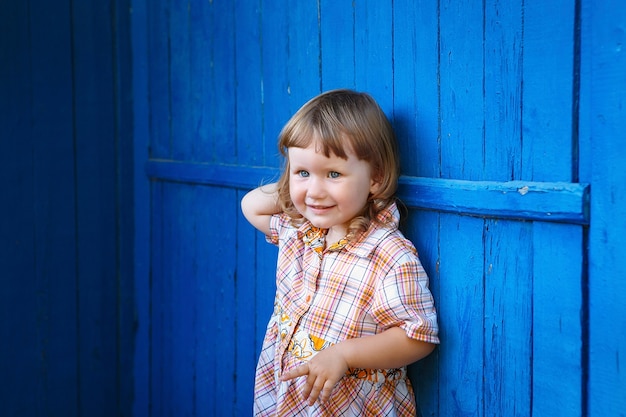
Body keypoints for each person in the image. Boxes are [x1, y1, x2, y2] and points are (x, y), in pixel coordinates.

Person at [241, 89, 439, 416]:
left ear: (375, 177)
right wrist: (296, 192)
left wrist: (344, 355)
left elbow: (418, 336)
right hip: (292, 403)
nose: (316, 190)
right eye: (303, 172)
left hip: (351, 407)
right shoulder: (301, 232)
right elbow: (251, 206)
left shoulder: (388, 254)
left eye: (333, 174)